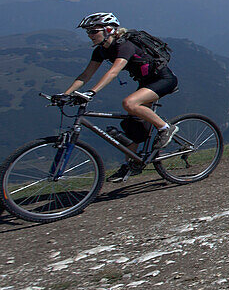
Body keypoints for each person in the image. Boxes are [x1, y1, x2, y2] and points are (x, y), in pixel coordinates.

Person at [56, 13, 180, 181]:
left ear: (109, 30)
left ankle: (166, 128)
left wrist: (91, 92)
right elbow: (85, 75)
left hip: (163, 80)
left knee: (129, 103)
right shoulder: (101, 51)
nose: (89, 35)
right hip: (145, 83)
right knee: (133, 126)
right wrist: (65, 94)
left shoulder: (125, 46)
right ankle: (131, 164)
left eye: (93, 31)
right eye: (88, 32)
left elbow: (113, 72)